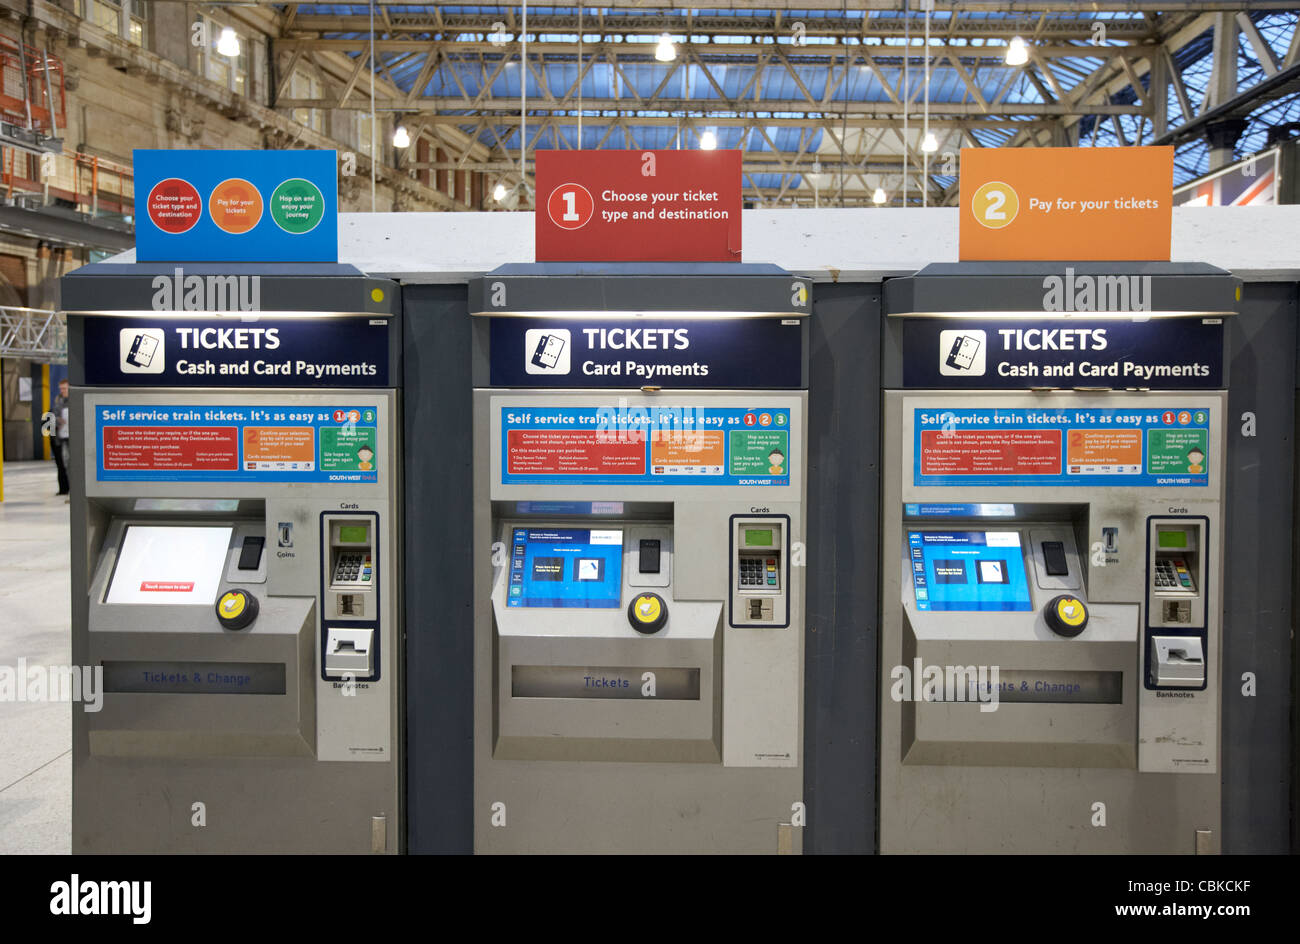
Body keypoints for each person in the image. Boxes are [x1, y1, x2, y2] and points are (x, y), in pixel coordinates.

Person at [51, 377, 70, 496]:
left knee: (73, 463)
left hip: (74, 437)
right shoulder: (57, 402)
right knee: (63, 463)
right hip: (61, 438)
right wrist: (57, 420)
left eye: (64, 388)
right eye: (61, 388)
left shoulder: (75, 401)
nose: (62, 390)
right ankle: (64, 488)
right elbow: (50, 419)